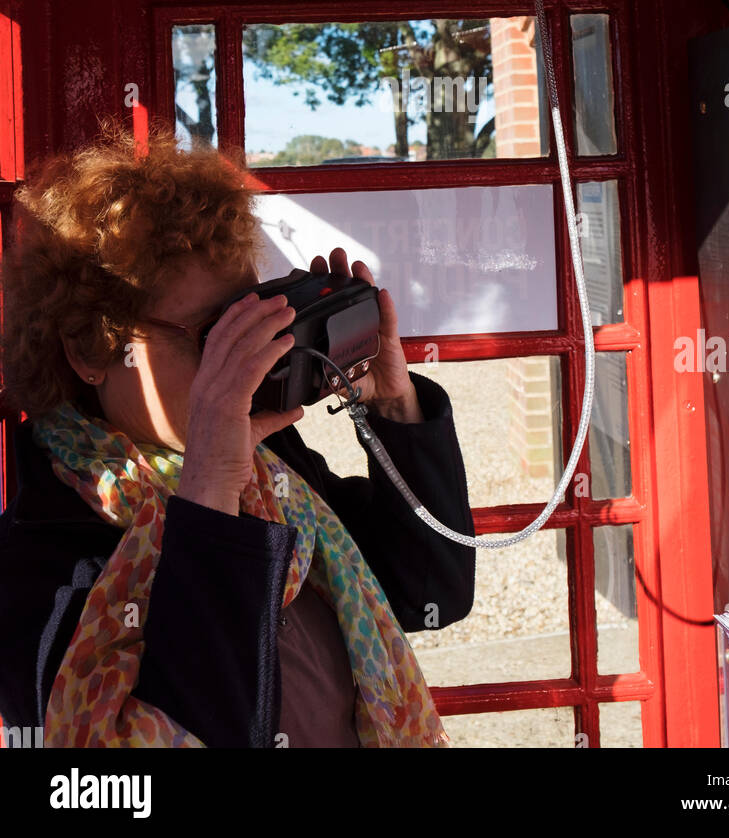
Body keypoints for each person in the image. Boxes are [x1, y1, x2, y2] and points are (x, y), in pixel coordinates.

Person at [0, 122, 475, 748]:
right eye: (215, 335)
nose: (249, 360)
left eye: (253, 316)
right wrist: (210, 488)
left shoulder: (272, 467)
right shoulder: (36, 561)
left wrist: (393, 406)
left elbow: (431, 594)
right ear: (91, 347)